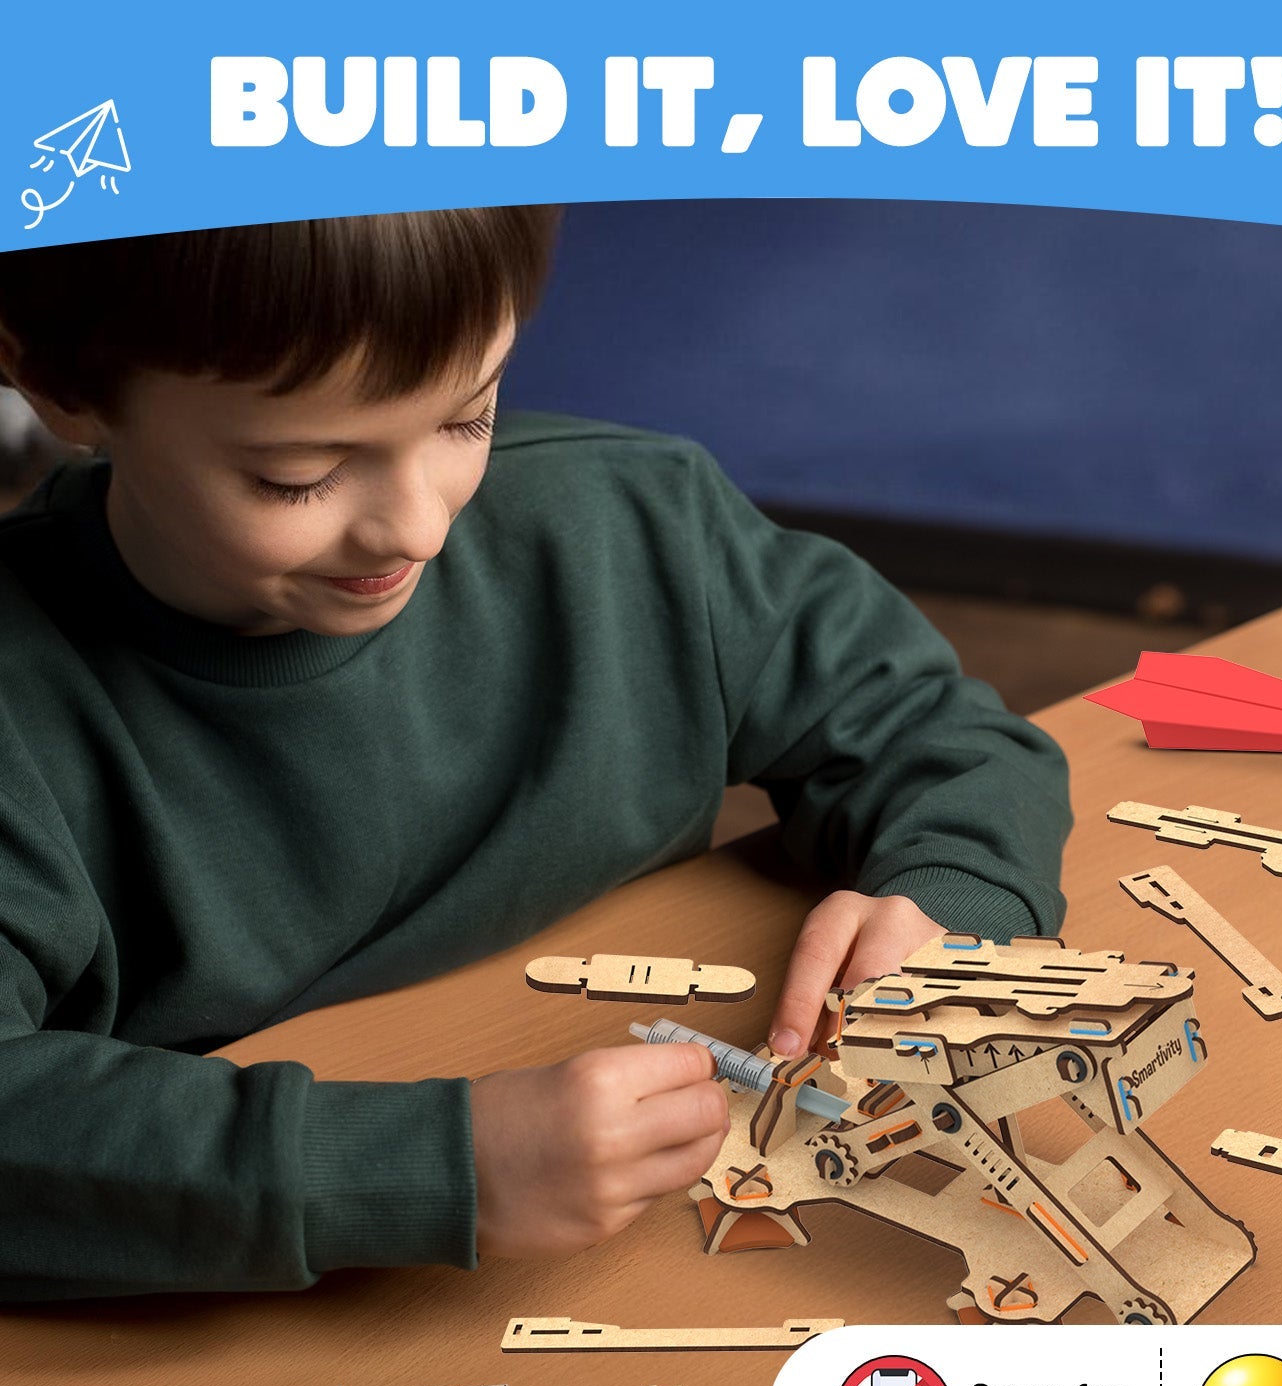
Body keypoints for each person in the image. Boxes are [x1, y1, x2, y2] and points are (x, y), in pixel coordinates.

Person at [0, 209, 1070, 1299]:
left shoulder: (641, 527)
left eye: (466, 418)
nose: (417, 527)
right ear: (54, 384)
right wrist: (430, 1168)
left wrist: (955, 895)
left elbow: (940, 732)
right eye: (299, 476)